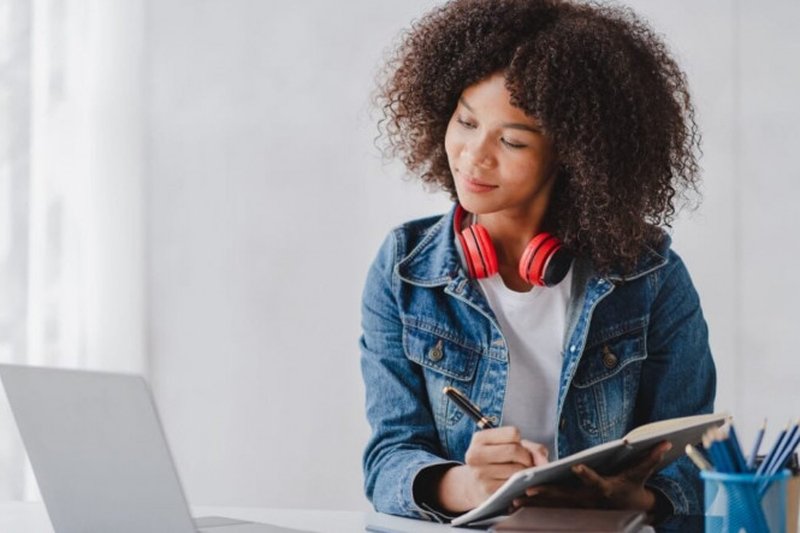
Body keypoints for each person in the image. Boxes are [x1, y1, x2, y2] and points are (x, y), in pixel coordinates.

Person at [359, 0, 716, 524]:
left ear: (573, 155)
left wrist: (634, 499)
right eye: (465, 121)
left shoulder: (651, 277)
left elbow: (695, 465)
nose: (473, 156)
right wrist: (466, 484)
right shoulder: (404, 270)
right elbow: (389, 458)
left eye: (511, 140)